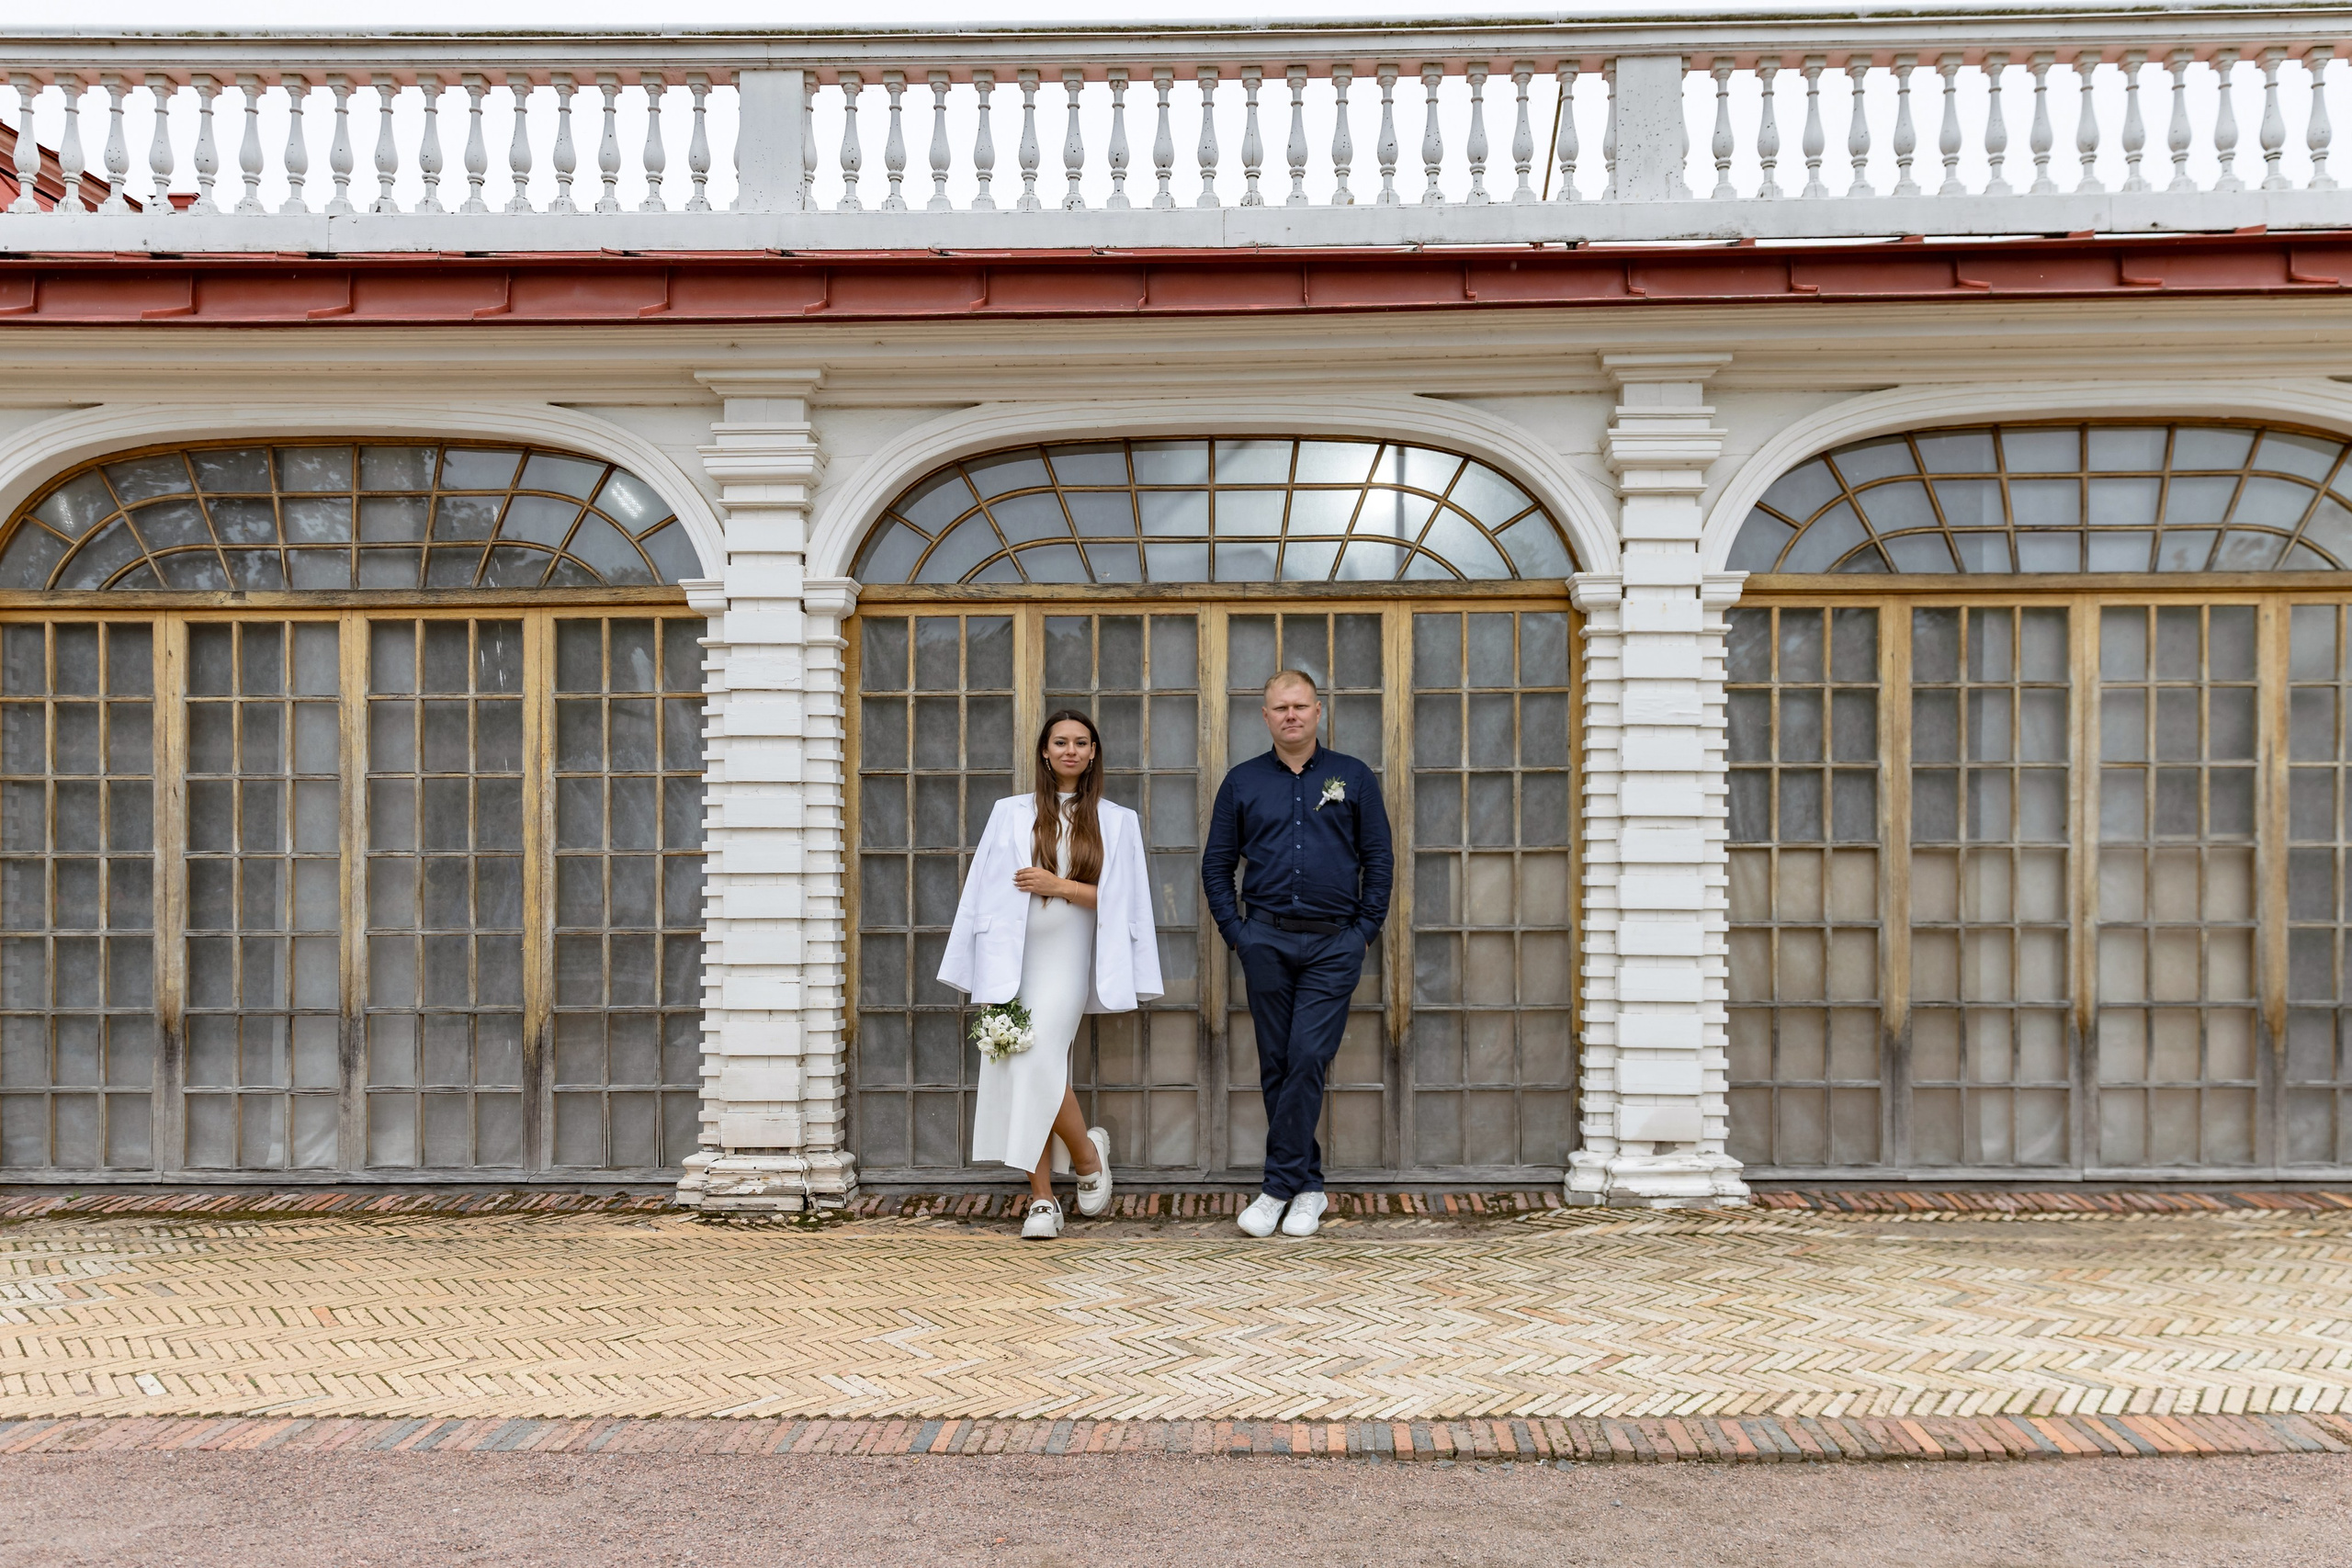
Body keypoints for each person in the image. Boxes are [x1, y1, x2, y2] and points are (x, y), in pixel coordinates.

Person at [938, 709, 1162, 1240]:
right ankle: (1041, 1199)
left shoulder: (1116, 820)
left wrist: (1058, 885)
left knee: (1036, 1057)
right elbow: (982, 888)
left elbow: (1123, 901)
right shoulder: (1009, 812)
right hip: (1013, 956)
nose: (1070, 750)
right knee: (1018, 1064)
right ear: (1044, 750)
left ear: (1092, 753)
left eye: (1081, 743)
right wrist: (971, 954)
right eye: (1060, 742)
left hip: (1068, 956)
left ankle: (1086, 1157)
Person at [1202, 671, 1393, 1238]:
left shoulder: (1352, 777)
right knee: (1277, 1061)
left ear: (1318, 711)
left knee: (1308, 1055)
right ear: (1265, 716)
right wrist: (1239, 934)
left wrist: (1362, 932)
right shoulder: (1242, 781)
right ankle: (1309, 1187)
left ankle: (1276, 1187)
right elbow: (1217, 866)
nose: (1291, 715)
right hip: (1266, 938)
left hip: (1335, 942)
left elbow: (1378, 862)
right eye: (1280, 707)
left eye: (1300, 706)